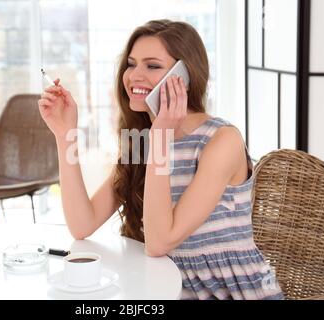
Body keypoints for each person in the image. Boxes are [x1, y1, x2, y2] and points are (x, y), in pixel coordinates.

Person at [38, 19, 284, 300]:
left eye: (152, 66)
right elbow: (83, 224)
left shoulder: (222, 141)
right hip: (169, 289)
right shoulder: (144, 139)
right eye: (131, 64)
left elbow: (159, 242)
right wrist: (64, 133)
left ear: (185, 76)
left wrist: (161, 138)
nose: (134, 76)